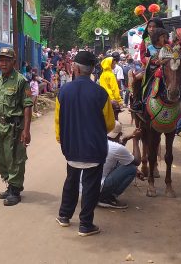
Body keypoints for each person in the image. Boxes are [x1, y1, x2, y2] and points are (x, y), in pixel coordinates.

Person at [55, 50, 115, 237]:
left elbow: (58, 121)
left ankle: (64, 216)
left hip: (71, 148)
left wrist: (63, 140)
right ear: (90, 71)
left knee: (71, 181)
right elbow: (110, 124)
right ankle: (85, 225)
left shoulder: (63, 91)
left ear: (76, 69)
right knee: (90, 186)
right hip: (94, 148)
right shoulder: (101, 94)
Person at [0, 47, 33, 206]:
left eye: (6, 60)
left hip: (15, 127)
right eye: (0, 60)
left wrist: (26, 130)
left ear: (13, 62)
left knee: (15, 158)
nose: (3, 63)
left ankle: (15, 190)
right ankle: (10, 183)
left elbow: (28, 105)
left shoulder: (21, 81)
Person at [98, 126, 143, 209]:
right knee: (132, 169)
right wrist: (135, 140)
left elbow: (118, 155)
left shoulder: (99, 140)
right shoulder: (117, 148)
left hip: (87, 187)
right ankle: (106, 198)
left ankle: (102, 196)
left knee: (122, 163)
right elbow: (137, 161)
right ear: (119, 135)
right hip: (98, 188)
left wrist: (125, 139)